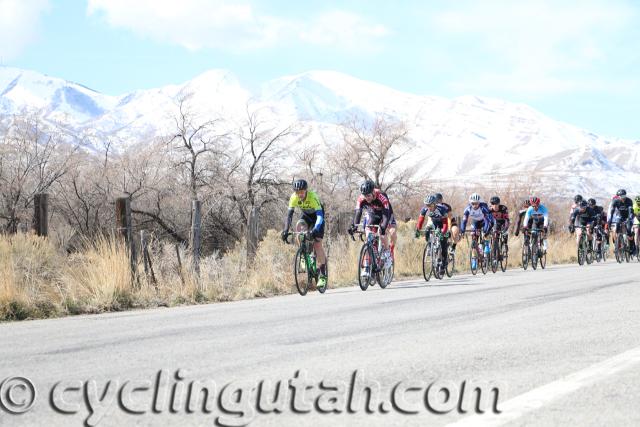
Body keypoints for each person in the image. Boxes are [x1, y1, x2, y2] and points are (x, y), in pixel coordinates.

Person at [281, 179, 328, 289]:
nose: (300, 194)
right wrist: (286, 230)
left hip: (317, 218)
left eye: (302, 192)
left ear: (306, 191)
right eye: (298, 192)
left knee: (317, 245)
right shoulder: (293, 197)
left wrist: (316, 229)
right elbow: (289, 216)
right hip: (306, 216)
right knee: (299, 228)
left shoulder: (313, 196)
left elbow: (320, 216)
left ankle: (323, 275)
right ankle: (303, 254)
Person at [349, 179, 396, 262]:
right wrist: (354, 226)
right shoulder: (361, 198)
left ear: (373, 192)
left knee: (382, 234)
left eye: (368, 195)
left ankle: (388, 253)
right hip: (373, 214)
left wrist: (383, 227)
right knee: (368, 233)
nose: (366, 198)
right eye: (364, 195)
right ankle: (370, 257)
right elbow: (358, 213)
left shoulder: (381, 196)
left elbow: (386, 215)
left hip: (385, 213)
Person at [415, 194, 452, 274]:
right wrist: (418, 230)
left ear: (434, 204)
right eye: (427, 205)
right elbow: (420, 221)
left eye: (430, 205)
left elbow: (445, 224)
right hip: (434, 223)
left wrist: (443, 232)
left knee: (443, 243)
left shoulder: (442, 209)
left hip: (442, 224)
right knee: (427, 229)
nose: (428, 207)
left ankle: (444, 263)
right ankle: (430, 246)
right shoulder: (425, 209)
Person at [607, 189, 635, 255]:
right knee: (617, 228)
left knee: (628, 230)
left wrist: (630, 217)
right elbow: (612, 210)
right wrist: (610, 219)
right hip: (620, 216)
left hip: (628, 216)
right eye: (621, 196)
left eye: (624, 196)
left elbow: (631, 210)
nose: (623, 197)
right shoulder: (615, 201)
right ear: (618, 197)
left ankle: (631, 246)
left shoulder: (629, 200)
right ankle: (618, 244)